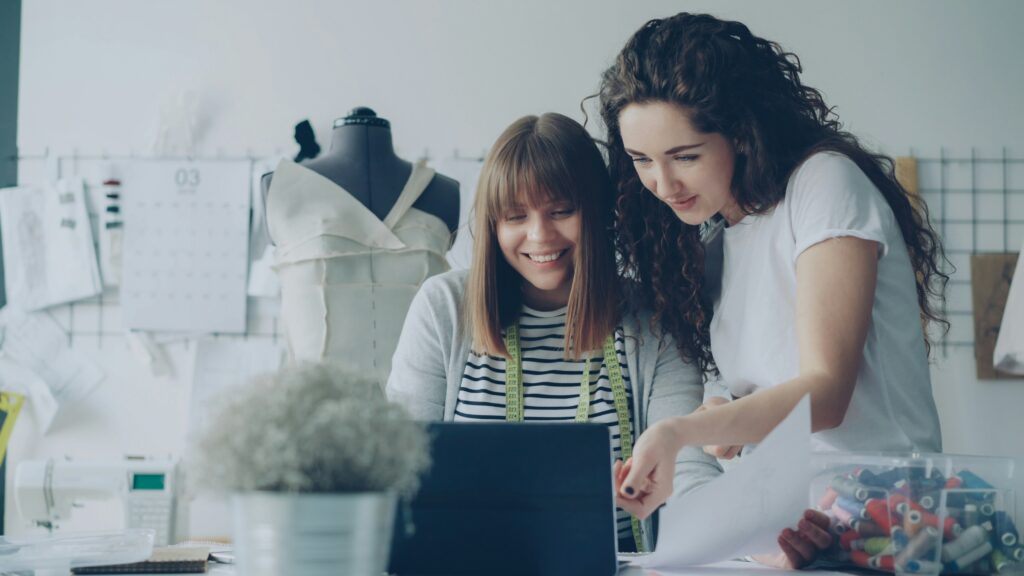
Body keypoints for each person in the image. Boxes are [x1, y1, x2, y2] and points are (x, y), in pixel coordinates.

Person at [597, 12, 946, 567]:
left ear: (742, 131)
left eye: (685, 156)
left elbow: (826, 394)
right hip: (797, 535)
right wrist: (719, 420)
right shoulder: (717, 243)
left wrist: (679, 432)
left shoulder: (824, 184)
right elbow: (751, 399)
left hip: (896, 525)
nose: (663, 185)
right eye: (642, 160)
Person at [386, 112, 721, 553]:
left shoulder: (653, 320)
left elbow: (689, 471)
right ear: (492, 224)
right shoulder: (444, 308)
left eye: (561, 211)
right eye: (515, 216)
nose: (540, 235)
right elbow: (397, 467)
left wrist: (749, 537)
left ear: (597, 212)